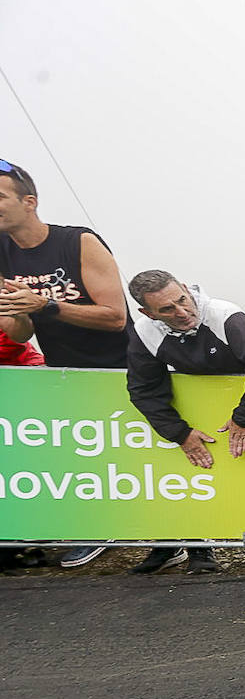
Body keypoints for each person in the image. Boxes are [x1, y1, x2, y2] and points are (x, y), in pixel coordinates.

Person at [0, 159, 131, 568]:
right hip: (65, 370)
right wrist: (22, 312)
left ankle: (179, 544)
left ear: (29, 202)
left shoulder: (78, 241)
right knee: (84, 456)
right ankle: (95, 530)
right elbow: (18, 333)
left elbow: (115, 317)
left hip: (123, 365)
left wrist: (45, 305)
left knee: (138, 454)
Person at [125, 271, 245, 574]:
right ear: (147, 313)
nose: (182, 312)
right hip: (207, 417)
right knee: (189, 477)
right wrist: (180, 433)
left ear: (187, 289)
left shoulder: (226, 316)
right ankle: (195, 548)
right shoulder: (145, 330)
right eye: (167, 310)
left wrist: (244, 418)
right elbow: (143, 389)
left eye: (182, 300)